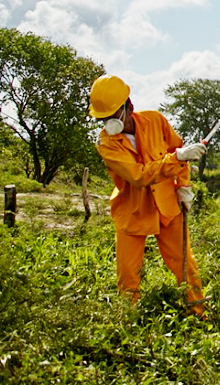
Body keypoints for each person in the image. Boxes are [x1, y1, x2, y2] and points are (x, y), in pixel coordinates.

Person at [89, 74, 209, 316]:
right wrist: (177, 158)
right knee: (128, 274)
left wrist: (184, 186)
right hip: (132, 210)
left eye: (113, 115)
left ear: (129, 107)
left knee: (185, 264)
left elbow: (178, 149)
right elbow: (139, 176)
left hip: (167, 205)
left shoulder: (155, 120)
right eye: (104, 118)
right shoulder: (106, 144)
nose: (109, 122)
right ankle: (128, 322)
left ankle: (198, 314)